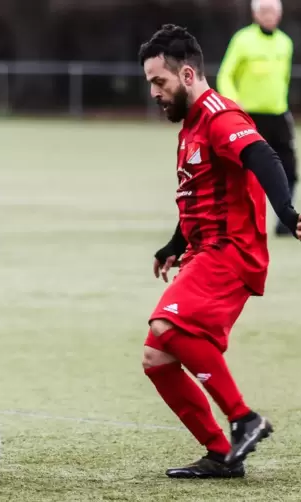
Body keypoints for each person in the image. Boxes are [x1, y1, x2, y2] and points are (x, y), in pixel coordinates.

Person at [138, 24, 300, 479]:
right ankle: (221, 453)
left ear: (187, 74)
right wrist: (175, 243)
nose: (154, 92)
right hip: (203, 250)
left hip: (231, 251)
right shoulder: (190, 124)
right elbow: (197, 190)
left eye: (159, 82)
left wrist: (286, 211)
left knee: (167, 325)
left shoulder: (219, 115)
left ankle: (244, 418)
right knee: (157, 359)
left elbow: (264, 157)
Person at [217, 0, 296, 236]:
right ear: (254, 14)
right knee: (242, 170)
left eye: (273, 11)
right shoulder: (243, 40)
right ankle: (234, 220)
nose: (269, 15)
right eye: (264, 11)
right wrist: (234, 102)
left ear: (279, 14)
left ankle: (285, 220)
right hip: (249, 117)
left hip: (279, 115)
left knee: (289, 168)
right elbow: (225, 75)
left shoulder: (285, 43)